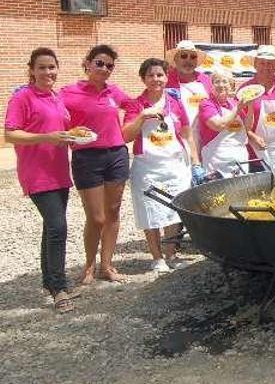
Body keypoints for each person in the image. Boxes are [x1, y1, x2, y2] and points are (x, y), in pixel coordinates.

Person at [4, 48, 79, 312]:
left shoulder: (56, 97)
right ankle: (59, 289)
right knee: (59, 227)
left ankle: (49, 281)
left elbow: (60, 130)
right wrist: (47, 137)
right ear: (32, 70)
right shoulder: (22, 97)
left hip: (59, 171)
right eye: (42, 67)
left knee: (51, 228)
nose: (48, 72)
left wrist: (72, 136)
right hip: (37, 173)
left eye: (52, 67)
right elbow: (11, 134)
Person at [60, 44, 132, 284]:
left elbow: (134, 106)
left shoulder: (114, 92)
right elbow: (54, 116)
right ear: (88, 63)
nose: (104, 69)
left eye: (109, 65)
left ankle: (107, 266)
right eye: (99, 63)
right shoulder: (68, 92)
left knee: (113, 212)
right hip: (87, 157)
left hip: (117, 155)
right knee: (96, 216)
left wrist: (131, 125)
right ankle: (88, 266)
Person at [122, 58, 199, 272]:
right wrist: (142, 116)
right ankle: (157, 258)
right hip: (148, 168)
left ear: (166, 77)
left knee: (173, 211)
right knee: (150, 211)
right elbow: (126, 135)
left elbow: (187, 134)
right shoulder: (136, 104)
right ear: (143, 78)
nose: (156, 79)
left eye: (160, 75)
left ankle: (171, 254)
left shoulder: (175, 103)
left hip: (175, 166)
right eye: (151, 75)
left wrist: (195, 161)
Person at [240, 45, 275, 170]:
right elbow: (237, 122)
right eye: (262, 63)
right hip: (255, 153)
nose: (266, 67)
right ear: (255, 64)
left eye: (270, 63)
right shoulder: (246, 89)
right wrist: (251, 136)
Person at [197, 69, 248, 176]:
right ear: (211, 86)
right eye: (217, 81)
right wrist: (238, 108)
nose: (221, 85)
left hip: (240, 159)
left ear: (230, 85)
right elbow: (218, 125)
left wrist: (251, 105)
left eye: (225, 81)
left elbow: (248, 127)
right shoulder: (206, 104)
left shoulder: (234, 104)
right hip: (217, 161)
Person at [165, 40, 213, 146]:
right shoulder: (165, 81)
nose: (188, 60)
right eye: (183, 56)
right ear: (175, 59)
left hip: (206, 143)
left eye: (193, 57)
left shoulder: (206, 80)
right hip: (176, 144)